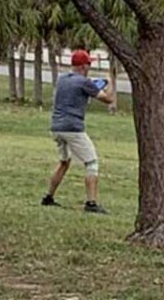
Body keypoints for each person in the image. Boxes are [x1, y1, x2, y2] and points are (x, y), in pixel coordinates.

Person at [41, 49, 114, 213]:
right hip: (73, 128)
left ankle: (48, 197)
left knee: (64, 162)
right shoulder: (84, 82)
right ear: (83, 66)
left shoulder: (62, 79)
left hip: (56, 127)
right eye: (89, 63)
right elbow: (108, 99)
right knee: (91, 163)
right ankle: (91, 203)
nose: (90, 66)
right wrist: (110, 82)